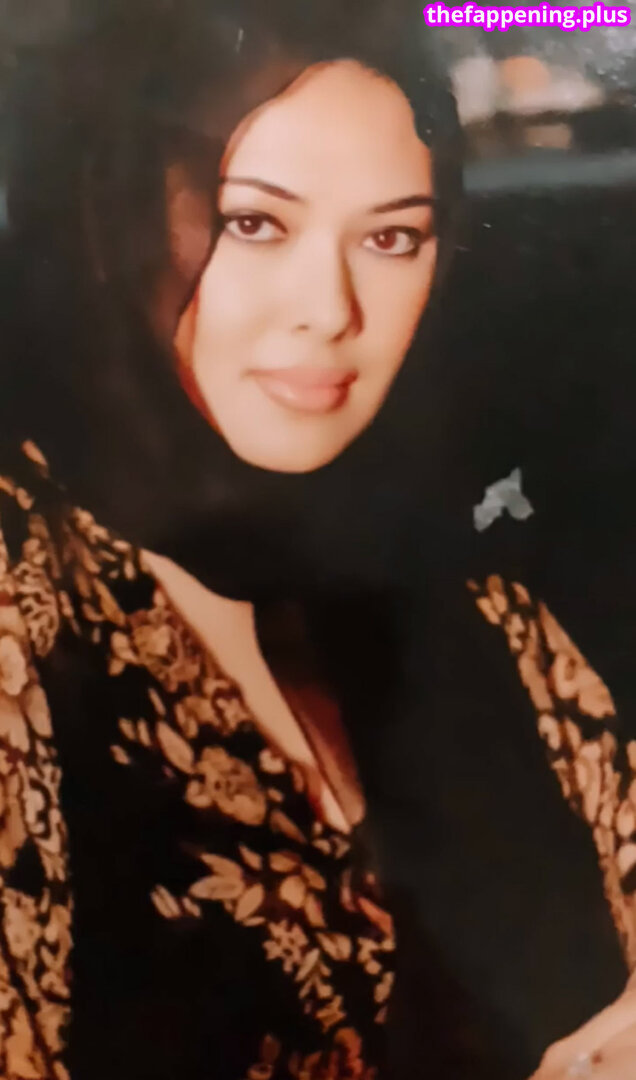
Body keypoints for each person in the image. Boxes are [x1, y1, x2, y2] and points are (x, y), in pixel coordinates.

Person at [0, 2, 461, 1077]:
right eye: (252, 223)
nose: (331, 309)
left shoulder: (441, 565)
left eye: (392, 237)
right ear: (112, 226)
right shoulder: (22, 587)